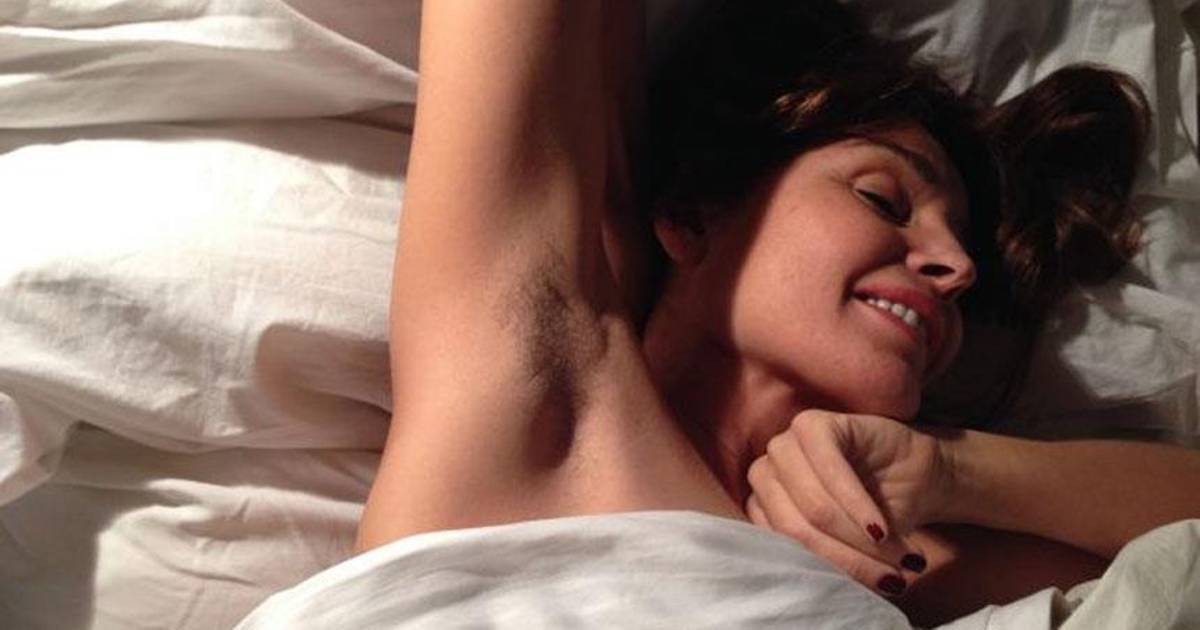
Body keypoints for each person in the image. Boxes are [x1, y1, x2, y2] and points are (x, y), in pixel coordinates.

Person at [355, 0, 1200, 625]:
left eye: (964, 264)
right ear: (695, 214)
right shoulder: (544, 409)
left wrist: (950, 469)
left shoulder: (879, 547)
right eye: (884, 199)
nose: (957, 267)